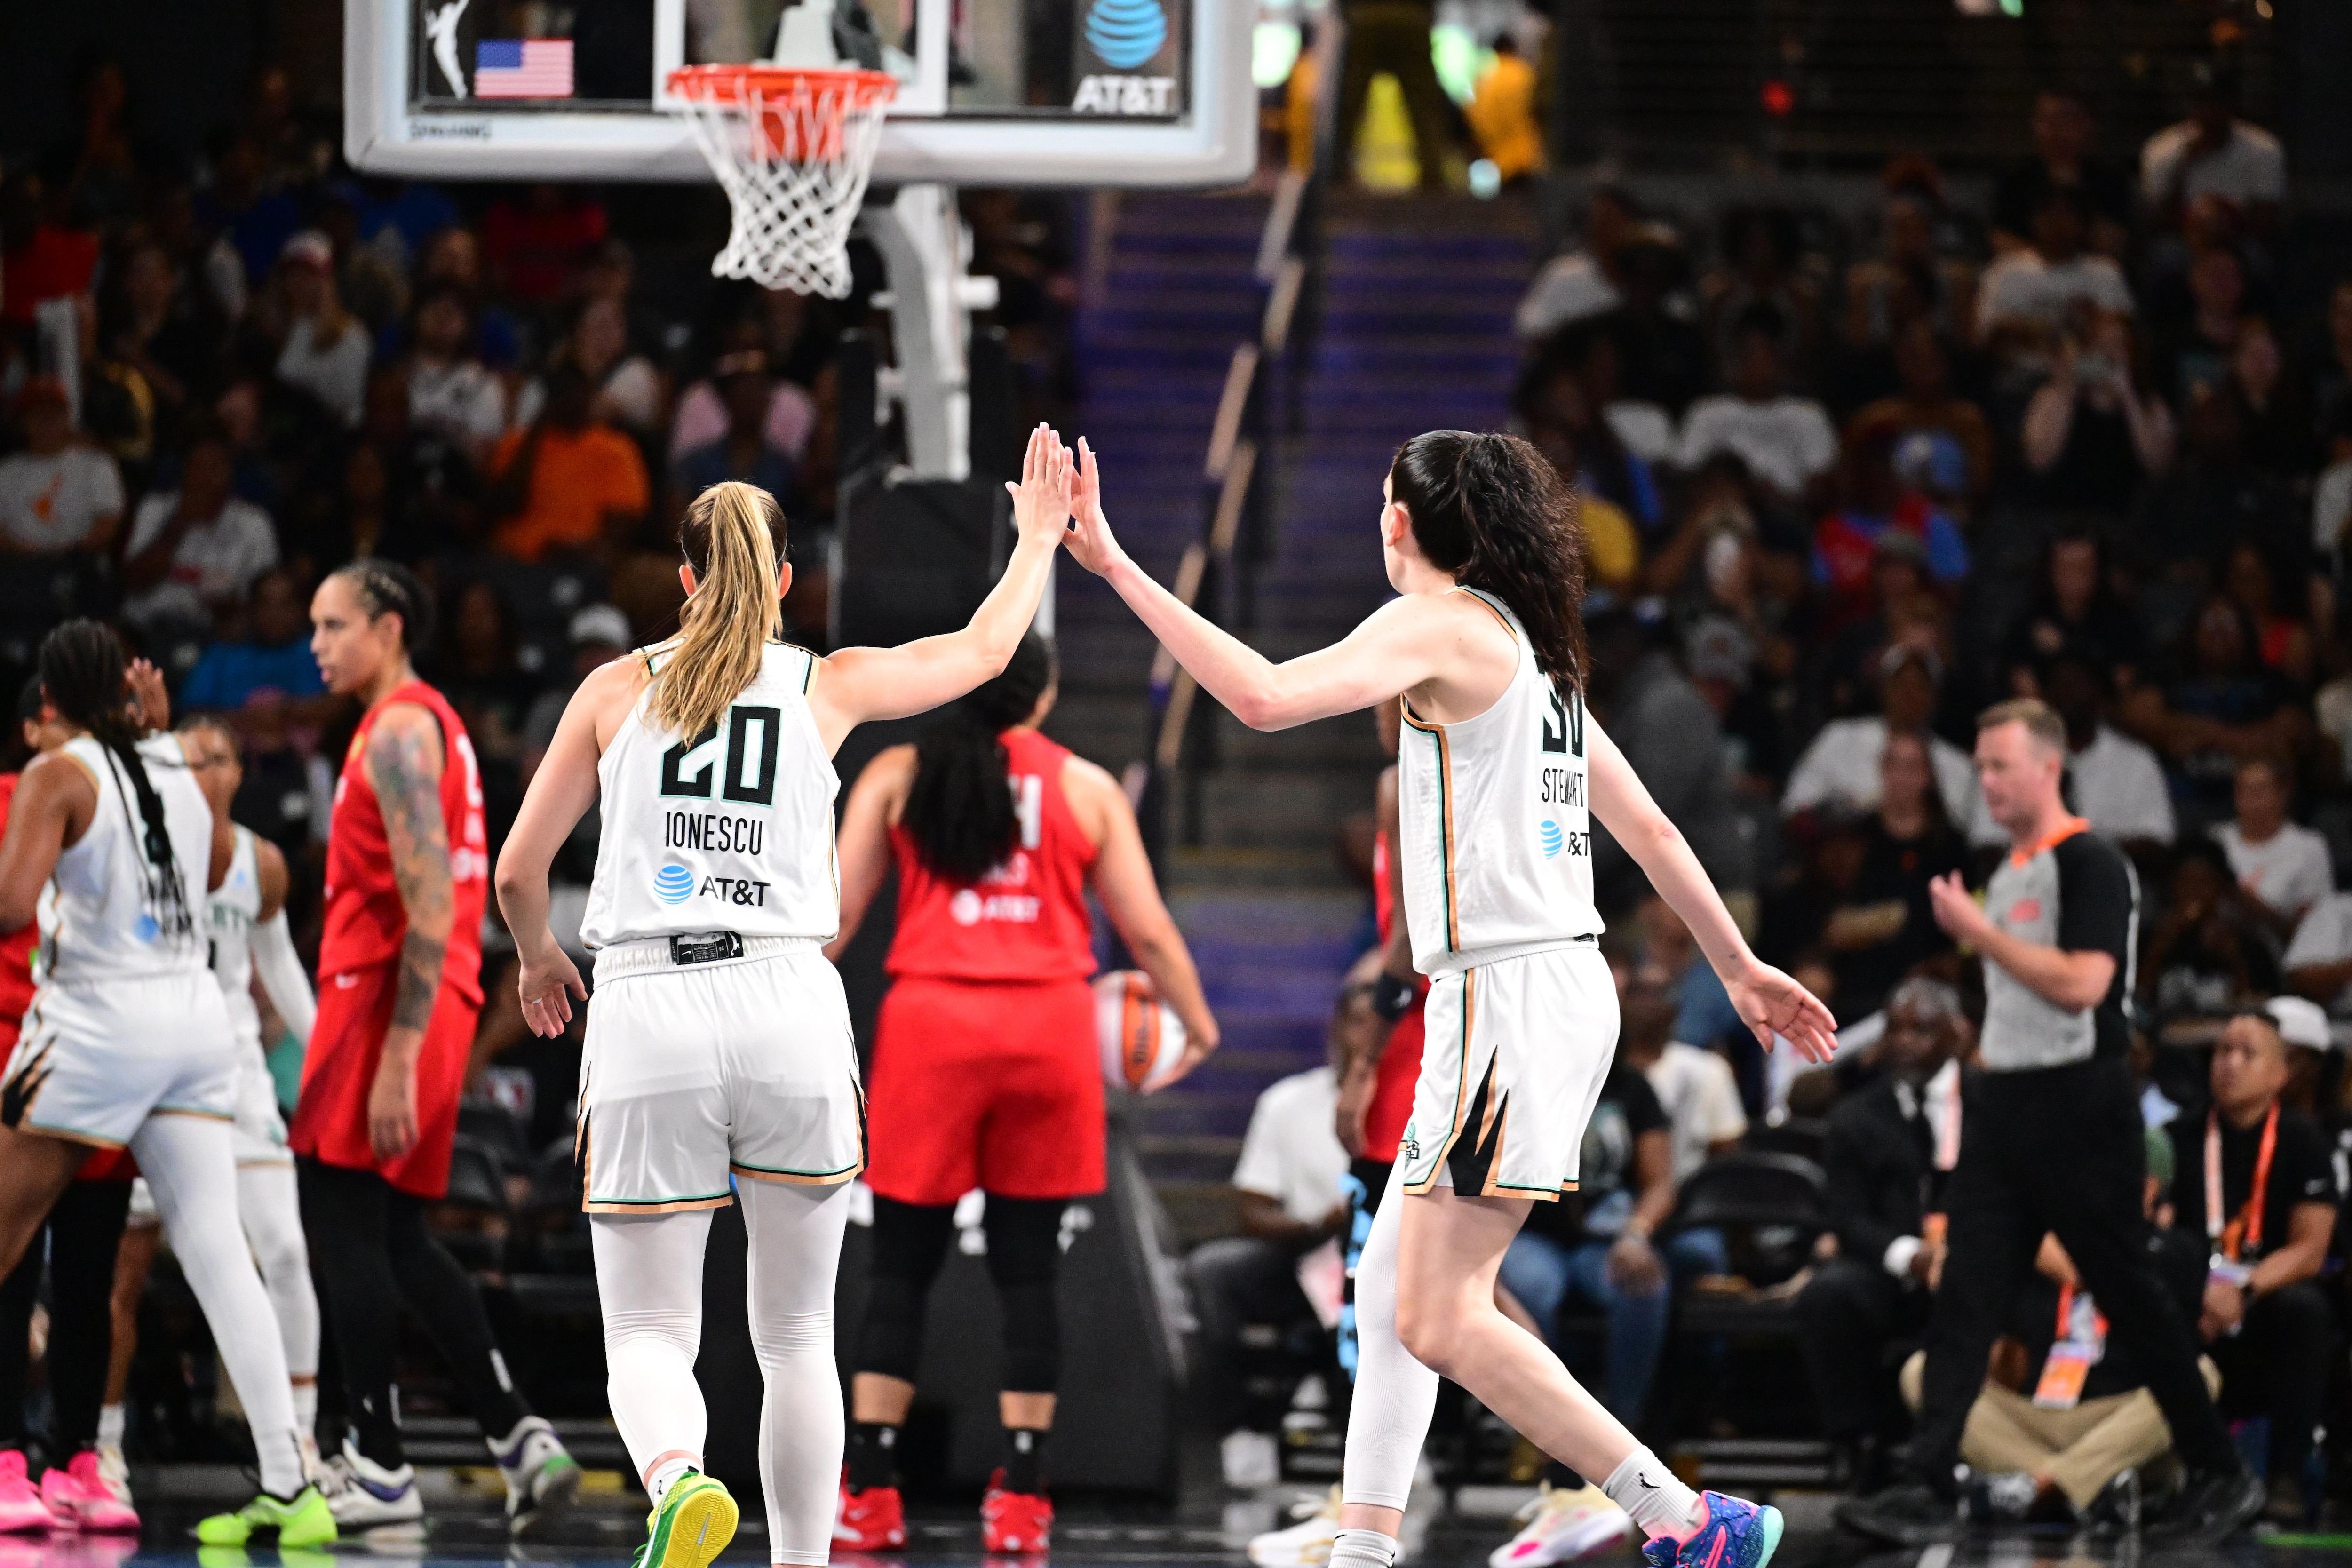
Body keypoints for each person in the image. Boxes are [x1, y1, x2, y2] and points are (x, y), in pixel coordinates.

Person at [1065, 427, 1837, 1568]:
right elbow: (1653, 830)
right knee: (1392, 1286)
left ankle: (1678, 1513)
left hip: (1505, 997)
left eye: (1383, 501)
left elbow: (1265, 698)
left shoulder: (1436, 621)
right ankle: (1365, 1546)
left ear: (1402, 522)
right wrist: (1735, 964)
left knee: (1438, 1315)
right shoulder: (1538, 658)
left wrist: (1118, 566)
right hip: (1552, 987)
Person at [493, 436, 1071, 1568]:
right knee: (799, 1333)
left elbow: (520, 870)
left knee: (650, 1329)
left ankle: (678, 1483)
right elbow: (986, 649)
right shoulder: (826, 681)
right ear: (788, 582)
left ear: (685, 580)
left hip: (652, 997)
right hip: (788, 1001)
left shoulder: (615, 688)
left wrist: (537, 957)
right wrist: (1038, 536)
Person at [828, 629, 1217, 1552]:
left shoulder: (897, 771)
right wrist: (1197, 1025)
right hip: (1048, 1029)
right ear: (1043, 698)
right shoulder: (1085, 786)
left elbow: (833, 921)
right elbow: (1148, 932)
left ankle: (871, 1488)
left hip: (930, 1029)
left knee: (899, 1266)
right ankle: (1023, 1495)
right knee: (1030, 1270)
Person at [1837, 699, 2262, 1545]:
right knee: (1967, 1294)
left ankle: (2221, 1468)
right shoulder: (2010, 869)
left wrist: (1979, 933)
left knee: (2130, 1292)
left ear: (2048, 767)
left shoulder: (2092, 860)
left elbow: (2085, 985)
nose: (1987, 781)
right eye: (1982, 767)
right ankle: (1926, 1480)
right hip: (2006, 1105)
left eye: (2001, 765)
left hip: (2081, 1103)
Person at [0, 622, 332, 1546]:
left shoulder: (57, 772)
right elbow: (221, 869)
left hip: (100, 1018)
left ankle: (11, 1465)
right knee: (220, 1250)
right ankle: (290, 1481)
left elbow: (12, 904)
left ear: (51, 702)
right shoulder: (180, 769)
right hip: (195, 1020)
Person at [294, 560, 580, 1531]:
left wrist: (395, 1055)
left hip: (384, 1000)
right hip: (430, 996)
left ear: (388, 628)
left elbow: (425, 906)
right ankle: (516, 1430)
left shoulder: (398, 732)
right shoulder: (439, 724)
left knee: (342, 1225)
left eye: (334, 625)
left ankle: (377, 1460)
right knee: (400, 1238)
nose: (317, 644)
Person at [1894, 1136, 2213, 1529]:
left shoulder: (2174, 1251)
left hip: (2117, 1416)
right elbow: (1989, 1328)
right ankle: (2070, 1487)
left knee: (2201, 1376)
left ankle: (2035, 1487)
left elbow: (2095, 1273)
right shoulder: (2036, 1250)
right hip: (2034, 1415)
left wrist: (2043, 1247)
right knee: (1922, 1370)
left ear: (2148, 1188)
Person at [177, 715, 322, 1469]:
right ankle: (99, 1442)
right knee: (124, 1270)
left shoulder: (262, 863)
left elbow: (281, 967)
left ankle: (302, 1437)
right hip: (159, 1071)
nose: (205, 772)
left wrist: (325, 1056)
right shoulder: (143, 849)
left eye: (218, 759)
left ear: (239, 771)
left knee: (287, 1250)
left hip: (239, 1073)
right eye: (190, 760)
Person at [2163, 1011, 2338, 1520]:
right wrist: (2200, 1290)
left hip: (2260, 1304)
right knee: (2153, 1303)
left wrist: (2242, 1291)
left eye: (2247, 1053)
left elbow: (2310, 1248)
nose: (2230, 1063)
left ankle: (2286, 1477)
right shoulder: (2177, 1136)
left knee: (2305, 1309)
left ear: (2280, 1073)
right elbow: (2153, 1233)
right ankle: (2176, 1470)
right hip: (2195, 1302)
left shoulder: (2304, 1141)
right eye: (2222, 1051)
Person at [1797, 977, 1962, 1492]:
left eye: (1921, 1030)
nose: (1904, 1042)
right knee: (1829, 1294)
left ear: (1955, 1035)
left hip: (1973, 1264)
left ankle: (1974, 1448)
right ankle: (1856, 1444)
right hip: (1891, 1269)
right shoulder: (1856, 1115)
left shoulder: (1988, 1105)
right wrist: (1912, 1257)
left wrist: (1958, 1255)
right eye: (1895, 1029)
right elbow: (1847, 1218)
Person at [1188, 1062, 1349, 1486]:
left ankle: (1393, 1445)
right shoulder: (1289, 1101)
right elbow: (1253, 1210)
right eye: (1353, 1026)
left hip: (1393, 1259)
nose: (1363, 1036)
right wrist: (1319, 1224)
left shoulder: (1426, 1094)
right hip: (1307, 1254)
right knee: (1213, 1270)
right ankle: (1243, 1429)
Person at [2210, 755, 2332, 940]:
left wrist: (2252, 906)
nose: (2251, 799)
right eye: (2244, 789)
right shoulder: (2214, 840)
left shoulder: (2309, 846)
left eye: (2260, 790)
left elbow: (2318, 920)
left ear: (2283, 794)